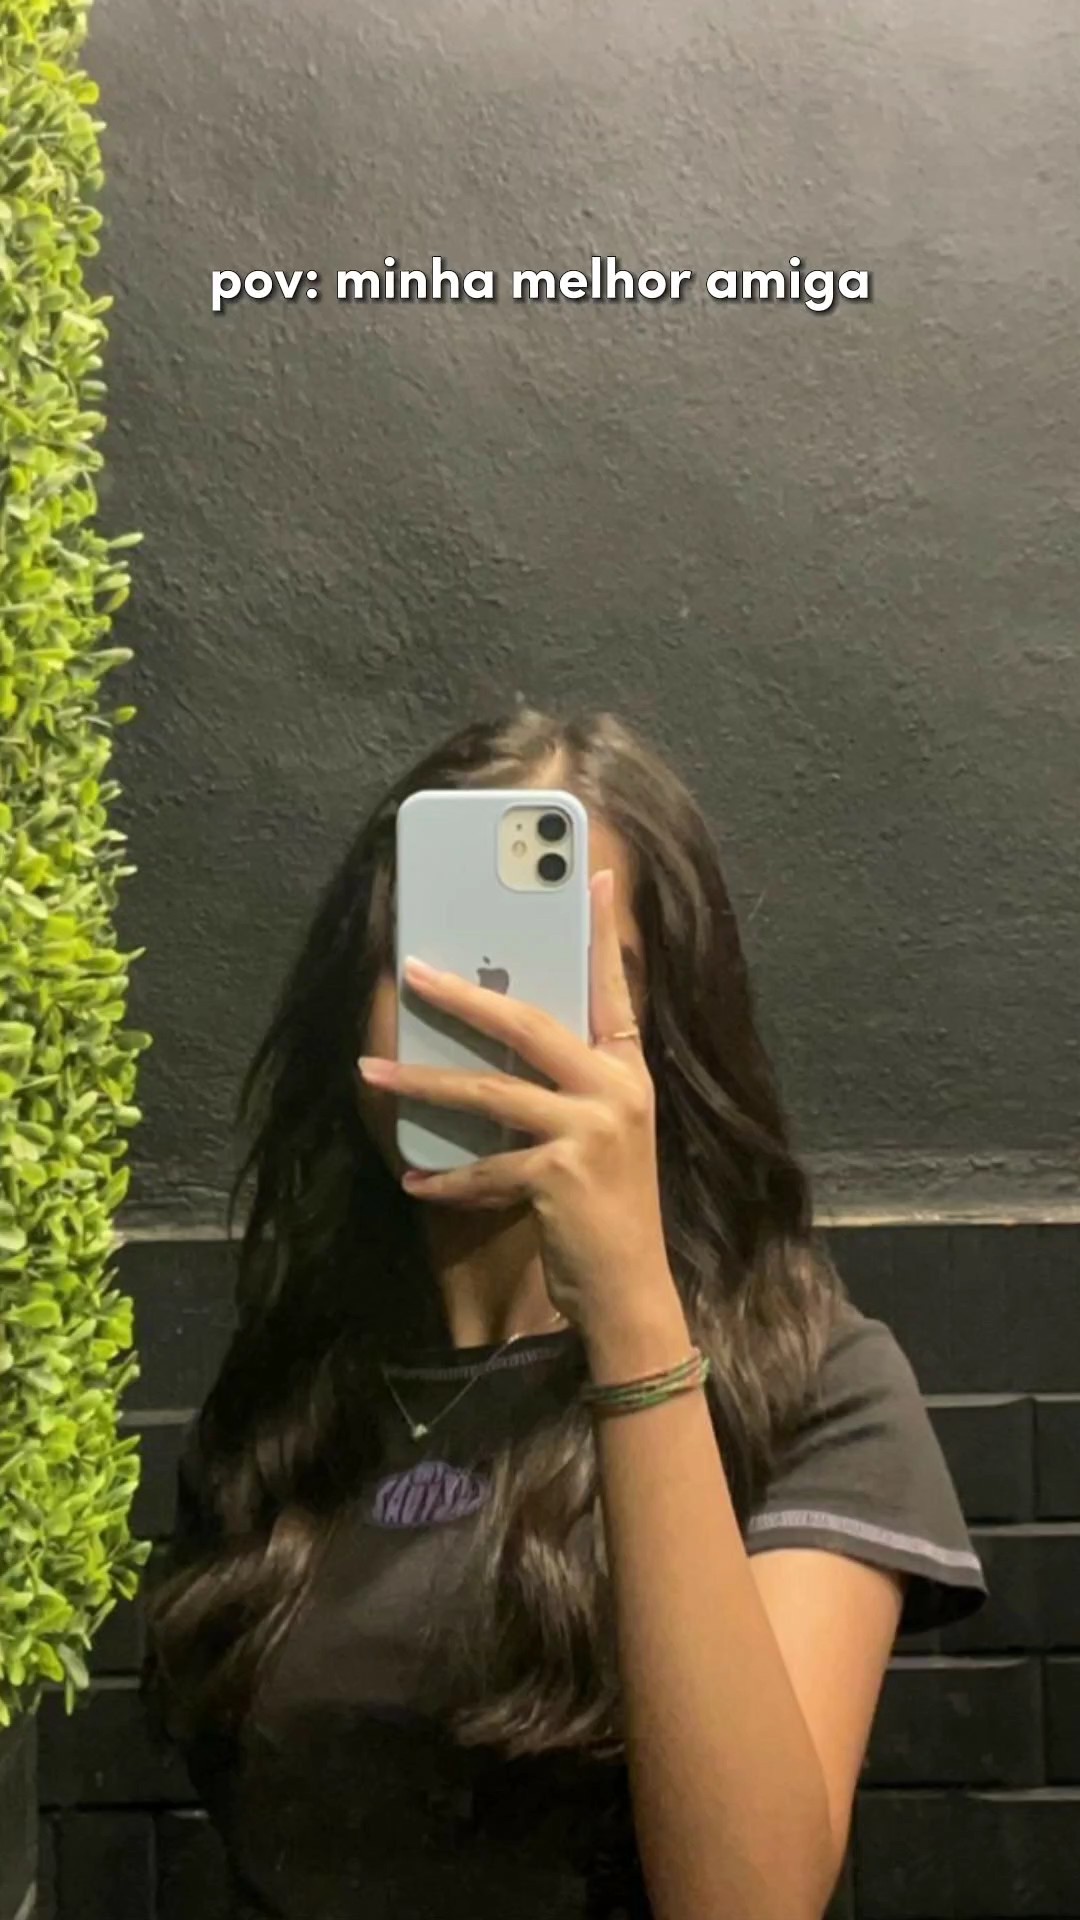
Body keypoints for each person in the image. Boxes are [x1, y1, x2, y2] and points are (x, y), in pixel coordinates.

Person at [143, 708, 986, 1920]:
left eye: (569, 979)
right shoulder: (292, 1395)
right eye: (431, 962)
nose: (494, 1019)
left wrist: (634, 1313)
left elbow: (750, 1903)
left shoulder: (815, 1388)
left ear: (668, 1037)